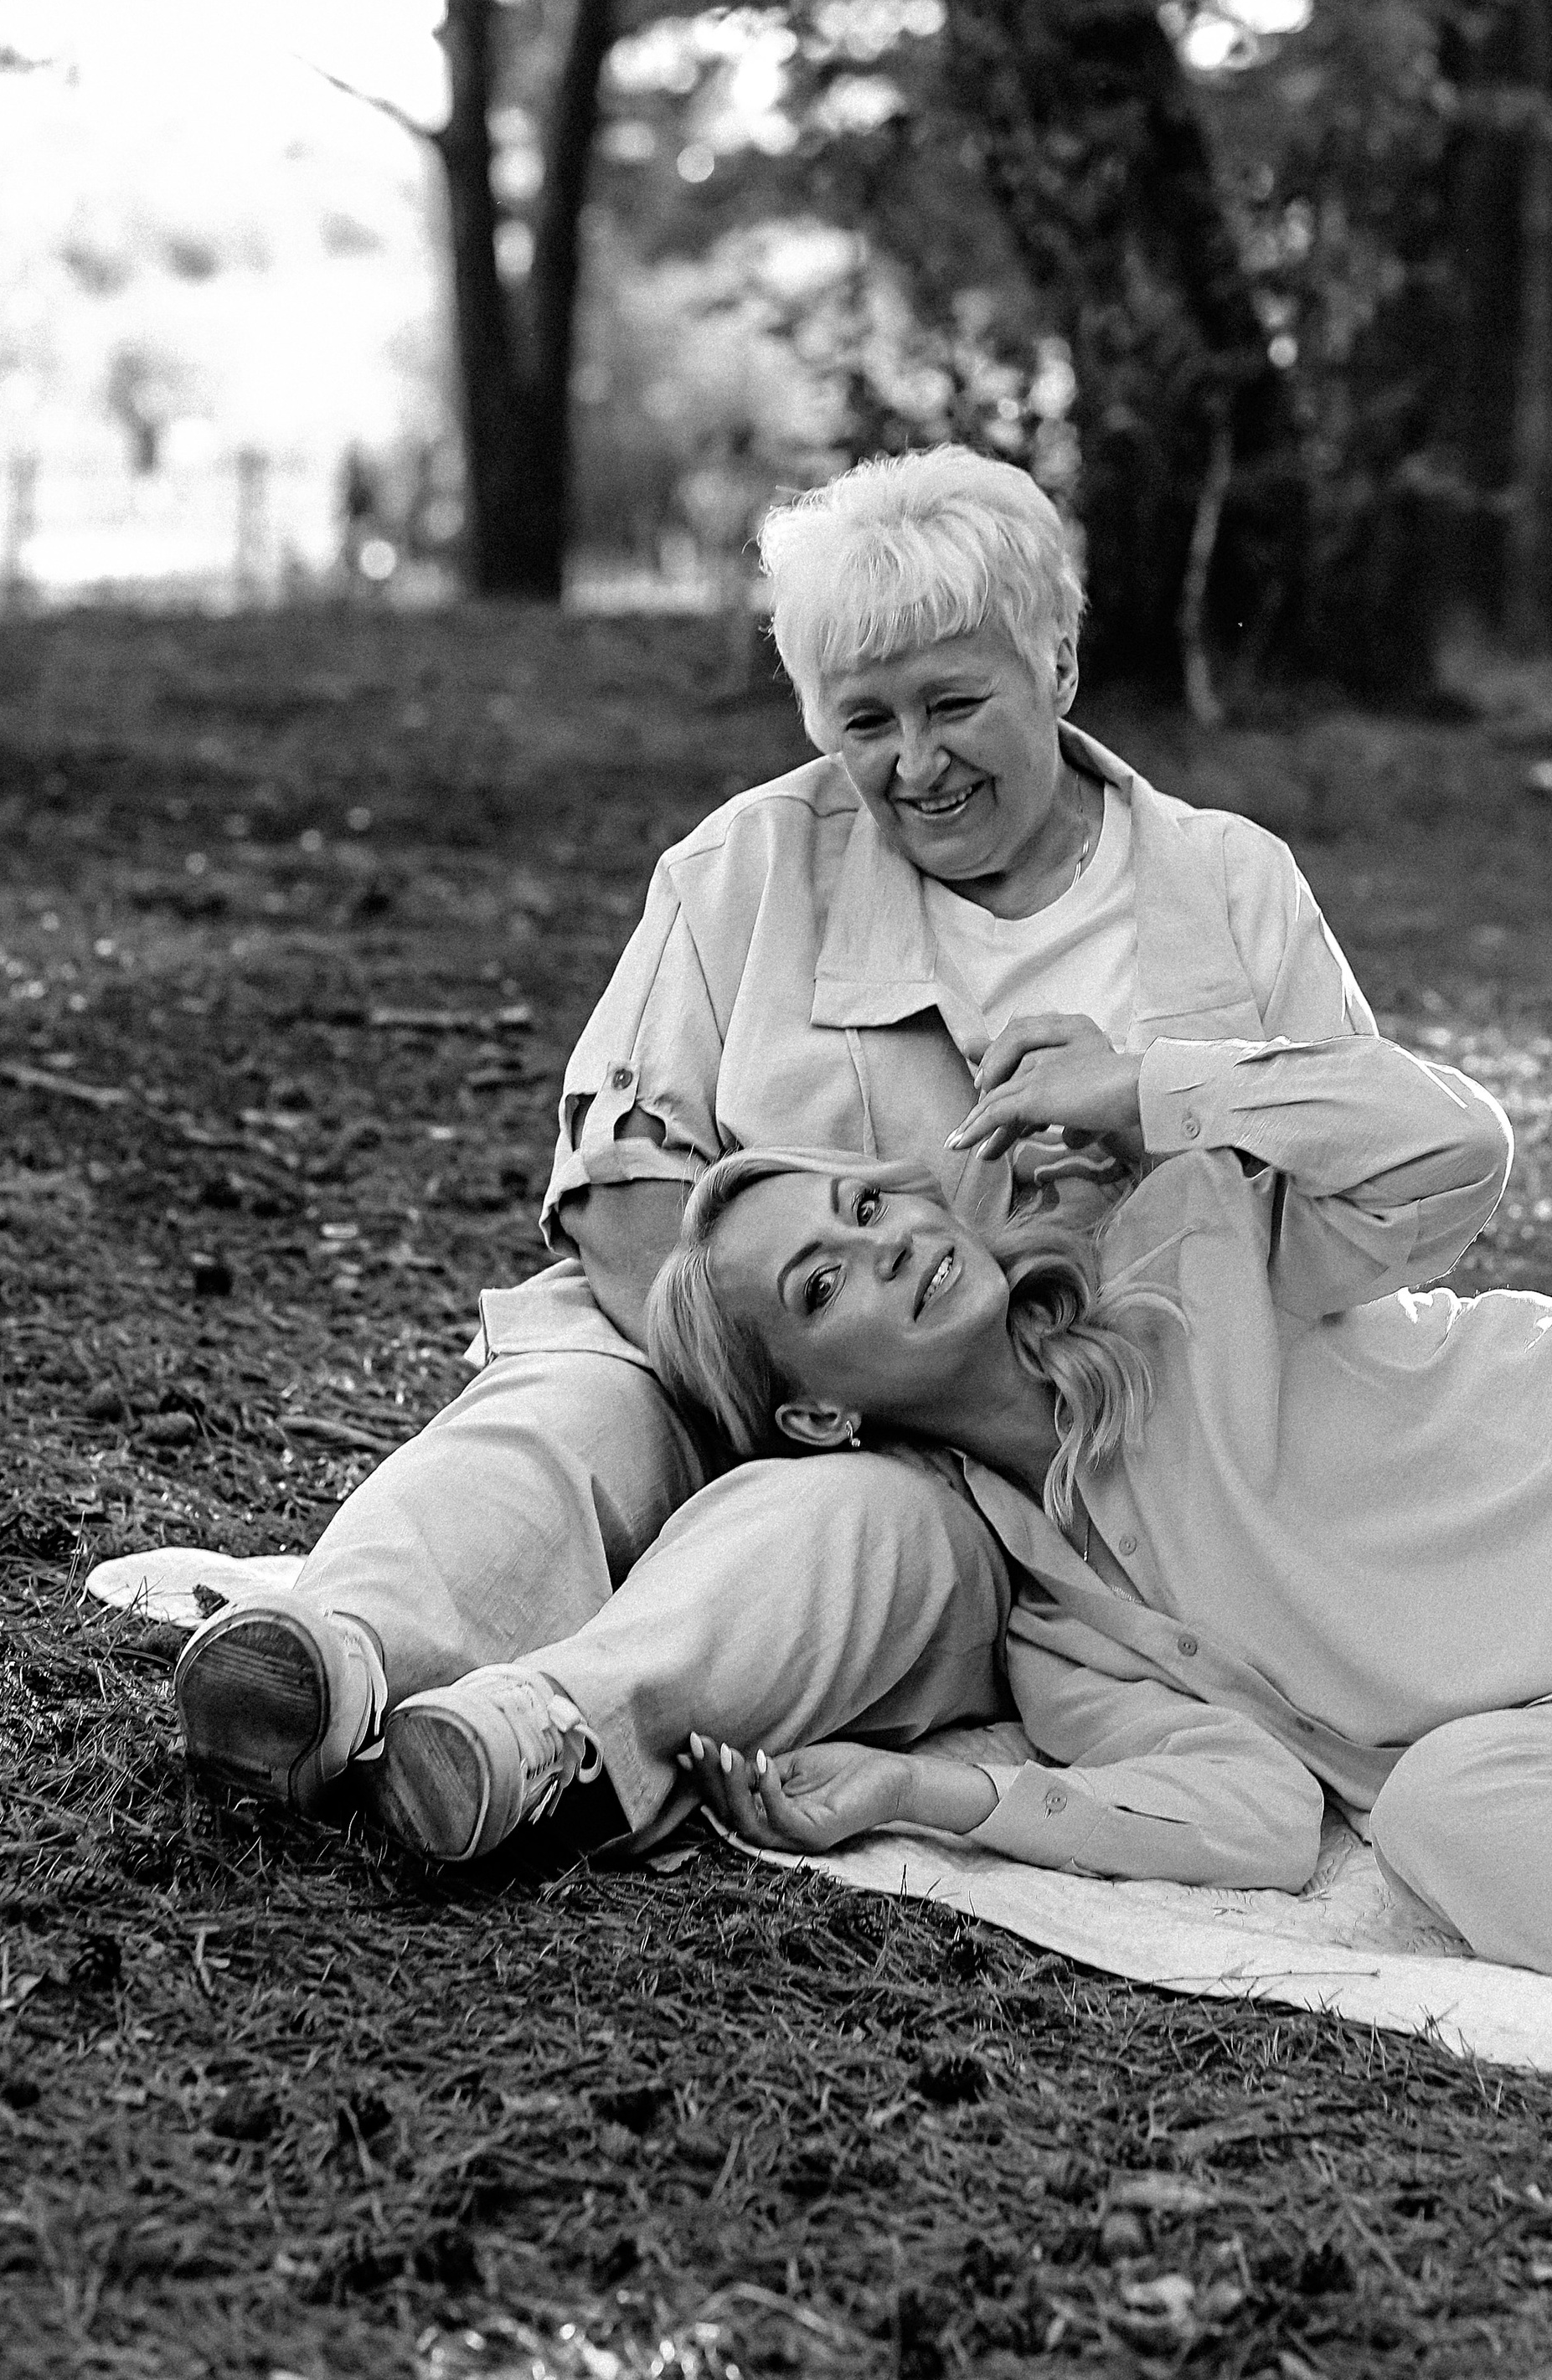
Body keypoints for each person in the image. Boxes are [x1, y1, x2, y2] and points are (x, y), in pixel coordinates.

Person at [173, 447, 1375, 1868]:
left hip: (1039, 1449)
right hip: (716, 1337)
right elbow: (623, 1198)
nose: (913, 765)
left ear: (1054, 663)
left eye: (953, 702)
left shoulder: (1228, 886)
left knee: (848, 1534)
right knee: (567, 1413)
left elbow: (1343, 1183)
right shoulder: (750, 865)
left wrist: (920, 1393)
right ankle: (330, 1659)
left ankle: (532, 1735)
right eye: (866, 719)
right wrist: (793, 1387)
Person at [639, 1015, 1552, 2149]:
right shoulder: (1056, 1627)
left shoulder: (1187, 1249)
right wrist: (919, 1791)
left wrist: (1149, 1090)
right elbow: (1259, 1820)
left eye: (868, 1203)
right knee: (1444, 1821)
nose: (879, 1244)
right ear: (815, 1420)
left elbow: (1455, 1144)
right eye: (823, 1283)